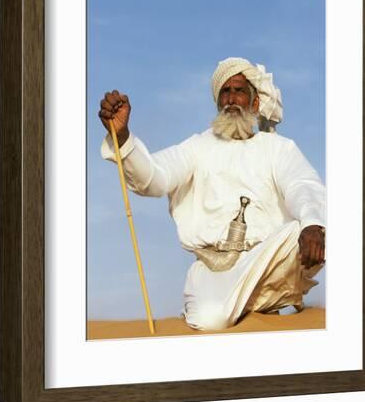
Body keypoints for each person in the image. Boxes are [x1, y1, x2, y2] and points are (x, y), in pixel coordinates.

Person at [99, 57, 325, 331]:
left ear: (254, 102)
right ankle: (251, 305)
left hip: (268, 260)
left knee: (324, 225)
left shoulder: (279, 148)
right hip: (217, 271)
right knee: (210, 319)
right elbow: (154, 178)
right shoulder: (197, 147)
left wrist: (313, 224)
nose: (231, 99)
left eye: (239, 91)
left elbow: (302, 185)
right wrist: (123, 137)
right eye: (225, 92)